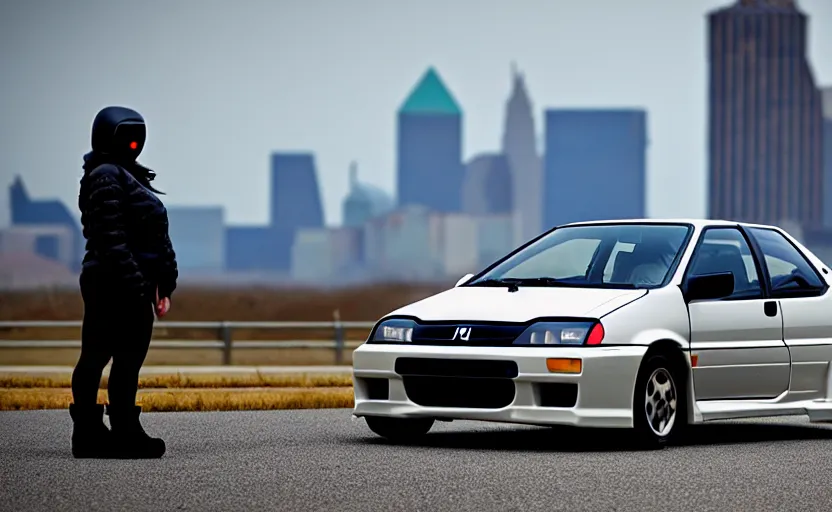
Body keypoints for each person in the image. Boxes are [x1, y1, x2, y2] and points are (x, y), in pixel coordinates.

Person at [69, 106, 178, 459]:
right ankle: (89, 432)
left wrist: (165, 280)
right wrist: (135, 283)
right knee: (97, 355)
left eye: (138, 134)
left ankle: (124, 430)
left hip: (135, 282)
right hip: (110, 281)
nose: (134, 141)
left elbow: (156, 235)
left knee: (128, 358)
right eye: (126, 133)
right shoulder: (104, 175)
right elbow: (109, 237)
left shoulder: (130, 176)